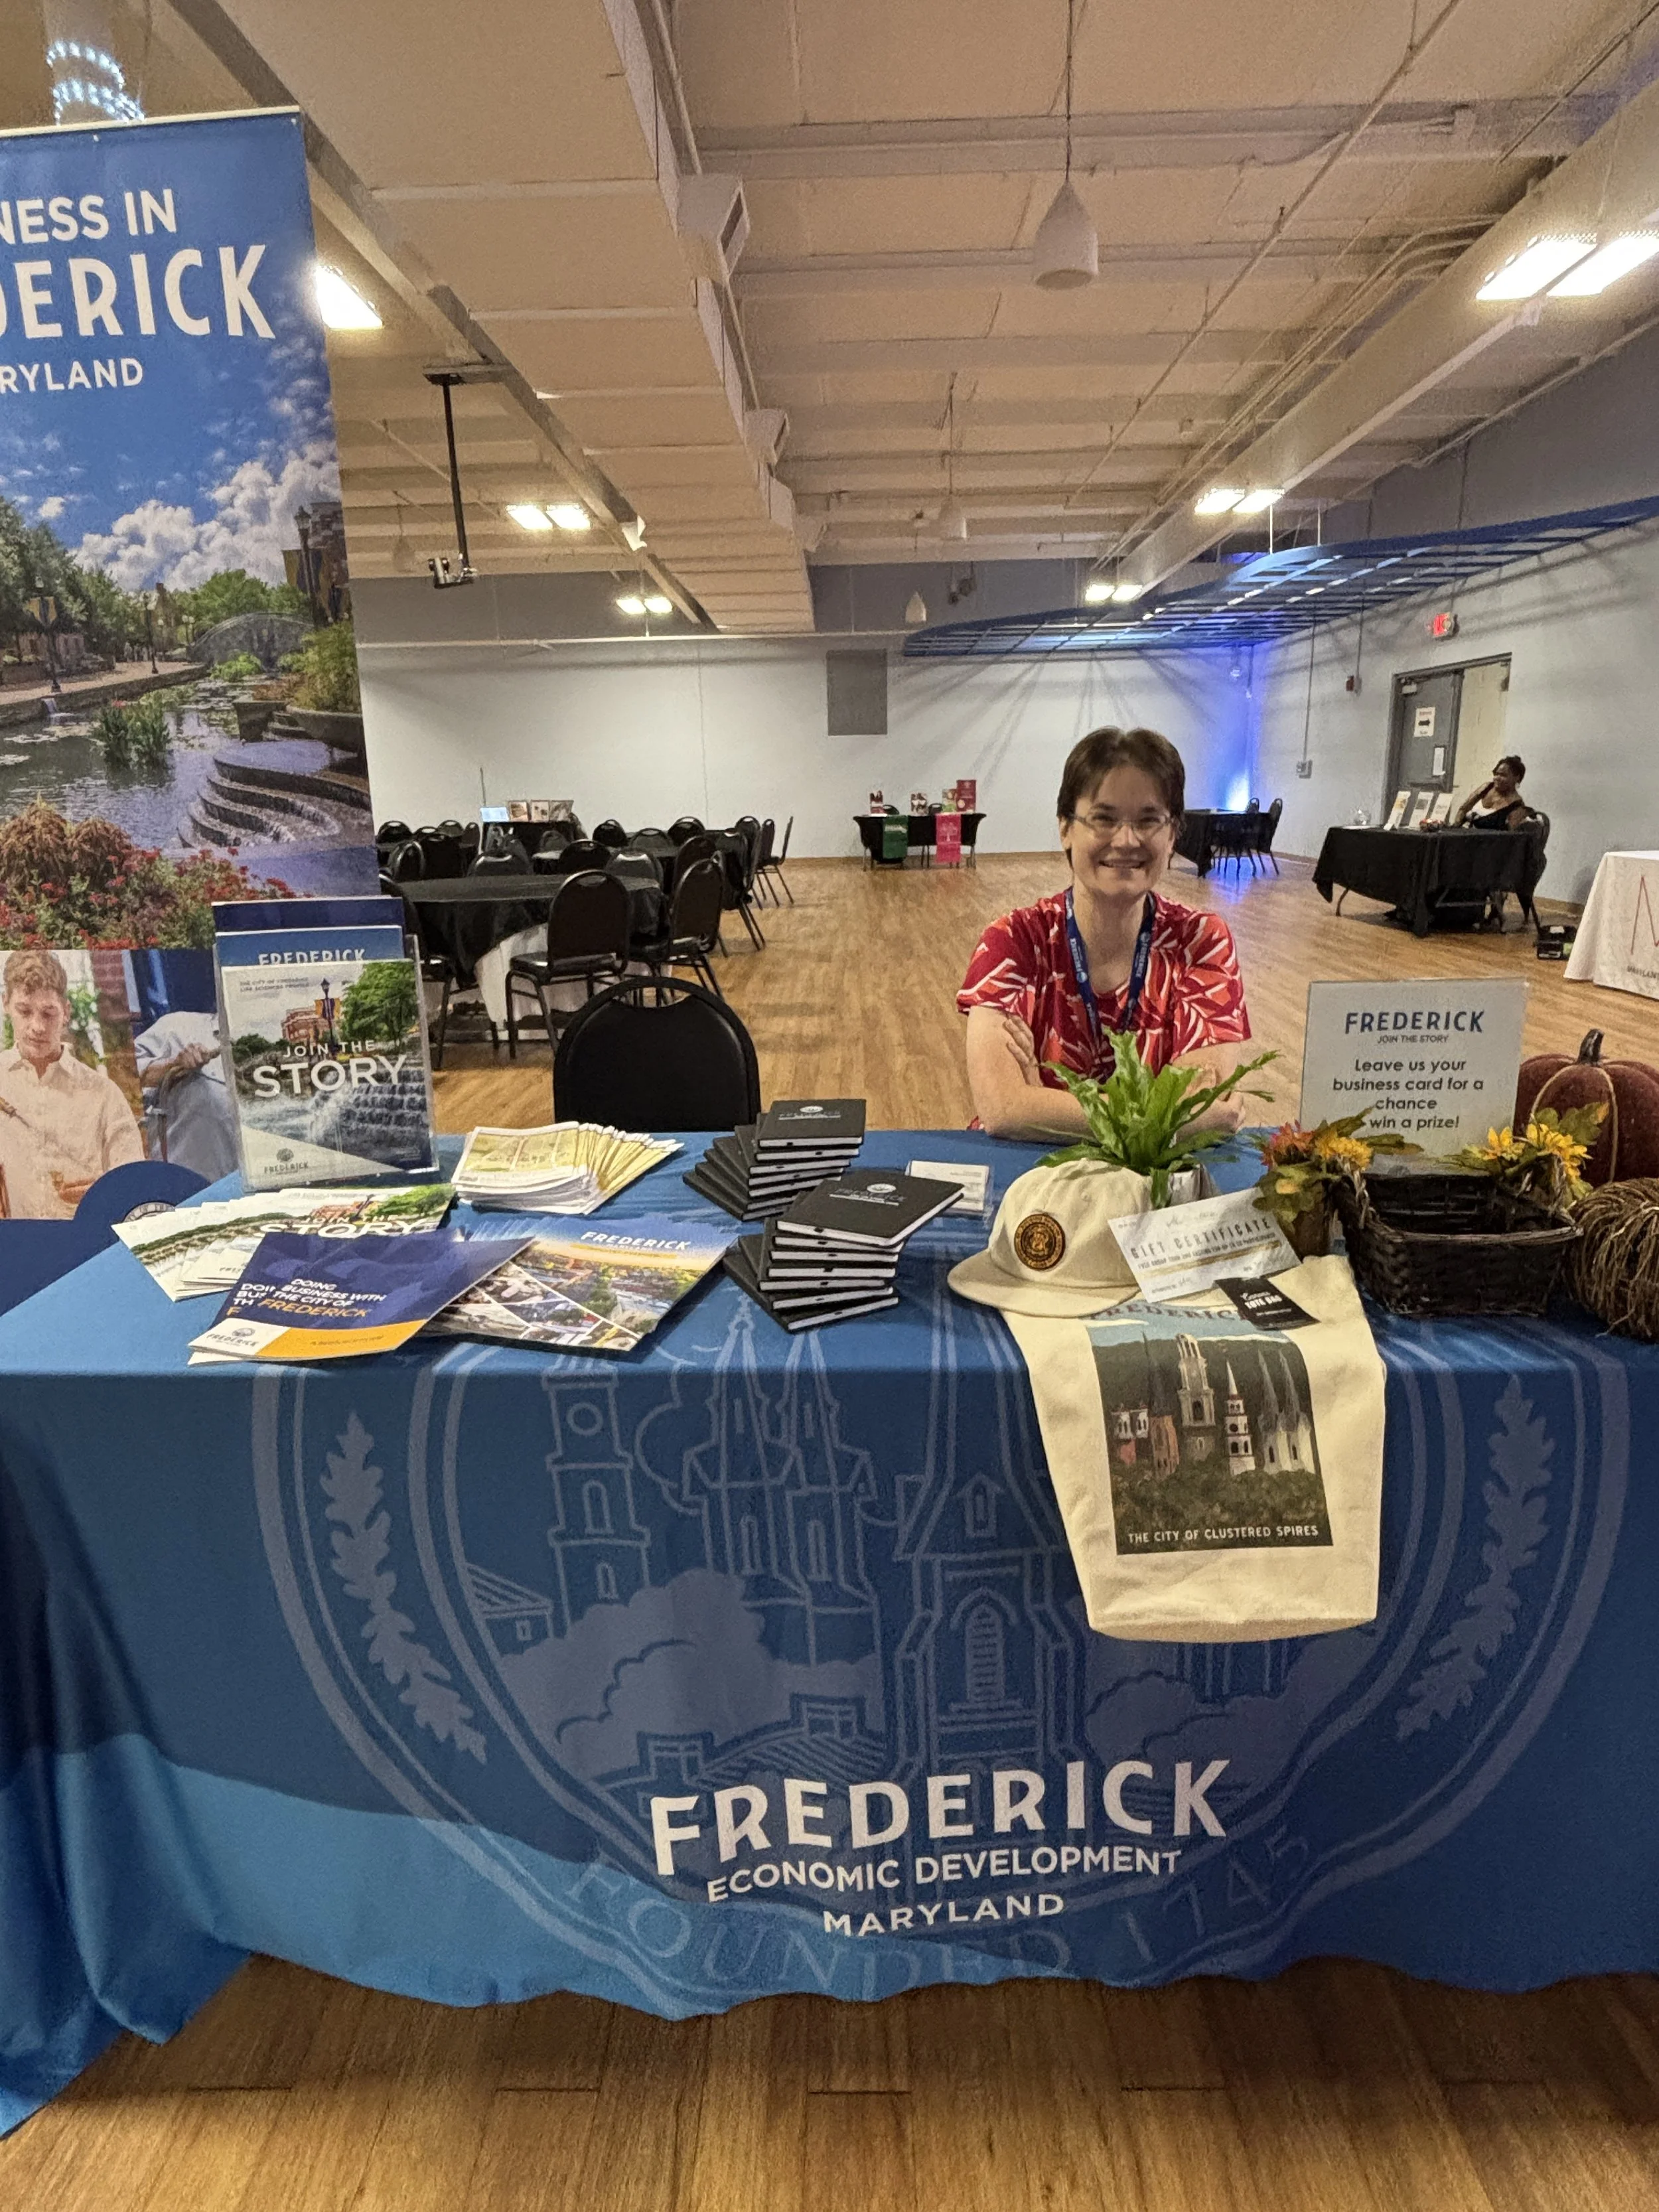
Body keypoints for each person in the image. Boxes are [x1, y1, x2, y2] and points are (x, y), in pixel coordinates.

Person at [959, 726, 1253, 1140]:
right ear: (1066, 827)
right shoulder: (1013, 941)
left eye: (1149, 820)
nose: (1126, 839)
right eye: (1104, 818)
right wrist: (1164, 1120)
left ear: (1173, 834)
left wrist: (1043, 1105)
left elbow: (1203, 1109)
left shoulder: (1201, 942)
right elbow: (1004, 1111)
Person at [0, 950, 145, 1218]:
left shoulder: (103, 1095)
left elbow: (134, 1187)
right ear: (6, 1003)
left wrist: (103, 1192)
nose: (37, 1027)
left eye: (48, 1013)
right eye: (24, 1011)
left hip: (86, 1245)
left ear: (66, 1012)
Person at [134, 1008, 237, 1182]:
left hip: (255, 1196)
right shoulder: (177, 1028)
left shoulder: (285, 1045)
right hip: (184, 1193)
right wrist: (174, 1065)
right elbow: (126, 1080)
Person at [1453, 755, 1532, 830]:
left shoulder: (1517, 806)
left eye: (1503, 775)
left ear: (1517, 778)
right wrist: (1455, 827)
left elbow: (1510, 835)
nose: (1497, 778)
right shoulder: (1486, 788)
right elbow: (1463, 809)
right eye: (1496, 774)